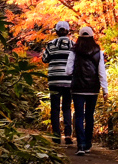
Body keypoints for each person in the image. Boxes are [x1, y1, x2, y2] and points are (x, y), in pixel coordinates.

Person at [64, 25, 108, 155]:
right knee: (89, 115)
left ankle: (81, 145)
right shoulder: (98, 52)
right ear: (92, 37)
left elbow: (68, 71)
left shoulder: (74, 51)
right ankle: (88, 144)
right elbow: (101, 72)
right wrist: (105, 90)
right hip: (93, 88)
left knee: (79, 115)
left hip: (78, 87)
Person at [42, 21, 74, 145]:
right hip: (68, 80)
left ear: (56, 31)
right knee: (66, 107)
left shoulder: (51, 44)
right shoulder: (73, 45)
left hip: (54, 80)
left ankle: (56, 136)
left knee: (54, 108)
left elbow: (45, 59)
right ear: (68, 31)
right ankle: (67, 134)